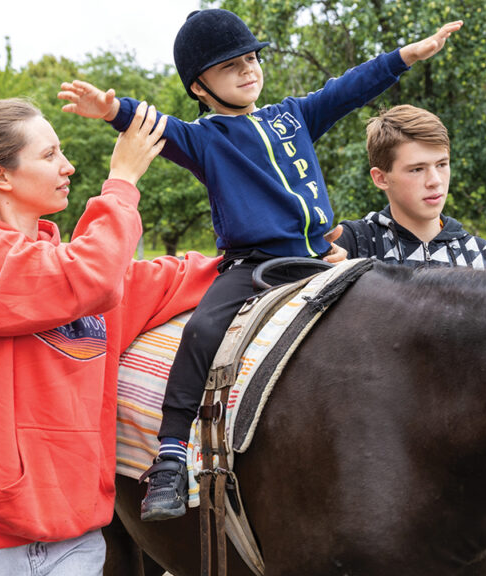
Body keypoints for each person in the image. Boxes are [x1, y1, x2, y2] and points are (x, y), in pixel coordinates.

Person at [58, 9, 463, 521]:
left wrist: (406, 56)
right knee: (202, 331)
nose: (249, 69)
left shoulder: (292, 116)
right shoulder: (203, 140)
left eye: (251, 58)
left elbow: (348, 89)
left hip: (321, 260)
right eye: (231, 66)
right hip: (253, 266)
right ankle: (169, 456)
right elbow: (150, 123)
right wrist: (113, 109)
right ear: (200, 88)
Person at [0, 99, 223, 575]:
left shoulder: (79, 274)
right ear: (1, 176)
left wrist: (293, 254)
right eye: (49, 155)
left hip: (73, 545)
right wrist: (122, 182)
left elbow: (172, 276)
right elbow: (86, 274)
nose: (67, 166)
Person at [336, 104, 486, 269]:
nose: (435, 181)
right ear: (381, 178)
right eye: (417, 169)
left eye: (441, 164)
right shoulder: (351, 245)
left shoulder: (481, 256)